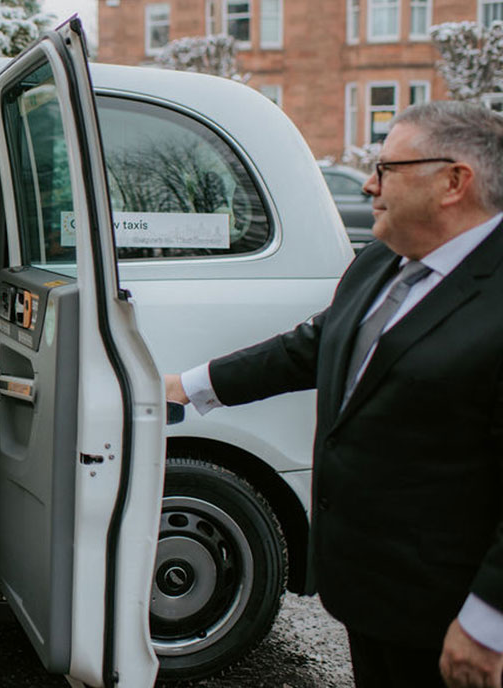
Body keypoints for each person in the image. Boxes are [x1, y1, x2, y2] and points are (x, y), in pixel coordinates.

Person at [164, 101, 503, 688]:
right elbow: (314, 345)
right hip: (371, 592)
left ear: (454, 181)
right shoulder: (380, 259)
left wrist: (488, 621)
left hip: (453, 612)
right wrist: (191, 387)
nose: (369, 183)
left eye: (387, 168)